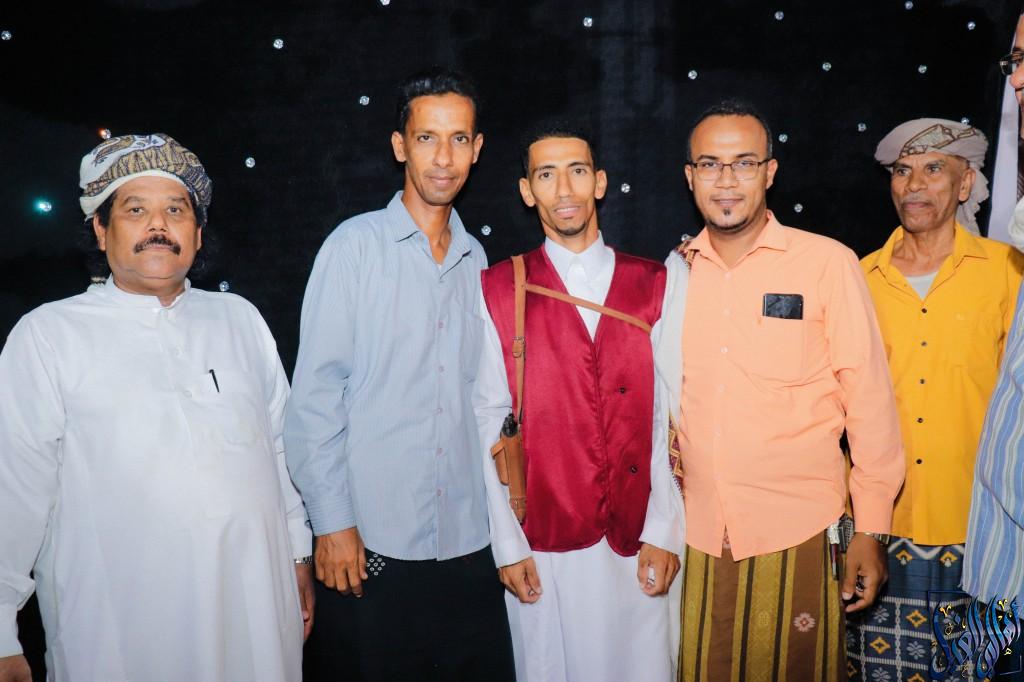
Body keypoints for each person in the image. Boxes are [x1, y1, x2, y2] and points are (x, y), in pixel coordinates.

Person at [0, 133, 313, 682]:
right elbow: (14, 488)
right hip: (120, 626)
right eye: (135, 210)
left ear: (198, 232)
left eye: (175, 210)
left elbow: (282, 449)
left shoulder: (239, 319)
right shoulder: (49, 335)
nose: (158, 225)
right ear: (100, 229)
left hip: (255, 608)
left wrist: (299, 555)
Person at [283, 68, 515, 680]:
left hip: (466, 540)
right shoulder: (353, 247)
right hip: (371, 541)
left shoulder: (478, 261)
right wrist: (332, 523)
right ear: (399, 146)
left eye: (459, 139)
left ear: (477, 149)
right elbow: (314, 401)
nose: (444, 157)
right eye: (427, 138)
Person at [667, 100, 905, 681]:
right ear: (690, 177)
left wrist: (871, 529)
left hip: (799, 533)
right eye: (710, 164)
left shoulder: (826, 264)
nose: (727, 180)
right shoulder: (673, 276)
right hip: (696, 535)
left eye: (744, 163)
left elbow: (870, 404)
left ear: (770, 172)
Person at [474, 124, 685, 681]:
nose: (564, 189)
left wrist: (665, 531)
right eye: (546, 175)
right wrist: (508, 546)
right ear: (527, 191)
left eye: (577, 171)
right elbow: (486, 421)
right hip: (545, 542)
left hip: (639, 538)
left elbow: (670, 418)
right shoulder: (499, 287)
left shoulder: (656, 282)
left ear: (600, 182)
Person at [849, 118, 1024, 681]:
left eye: (933, 169)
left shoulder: (1008, 273)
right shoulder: (857, 279)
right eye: (902, 171)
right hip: (882, 529)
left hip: (985, 533)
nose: (914, 184)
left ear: (965, 183)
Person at [960, 14, 1024, 659]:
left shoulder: (999, 267)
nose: (1017, 80)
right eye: (1017, 62)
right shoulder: (862, 273)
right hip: (1000, 564)